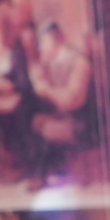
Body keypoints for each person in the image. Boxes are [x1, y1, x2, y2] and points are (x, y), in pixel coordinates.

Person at [27, 19, 95, 188]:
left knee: (43, 128)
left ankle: (41, 176)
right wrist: (38, 78)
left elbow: (73, 100)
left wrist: (47, 89)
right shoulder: (53, 61)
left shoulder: (80, 62)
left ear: (54, 41)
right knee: (34, 122)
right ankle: (52, 170)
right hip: (65, 116)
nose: (40, 48)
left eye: (42, 43)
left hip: (82, 122)